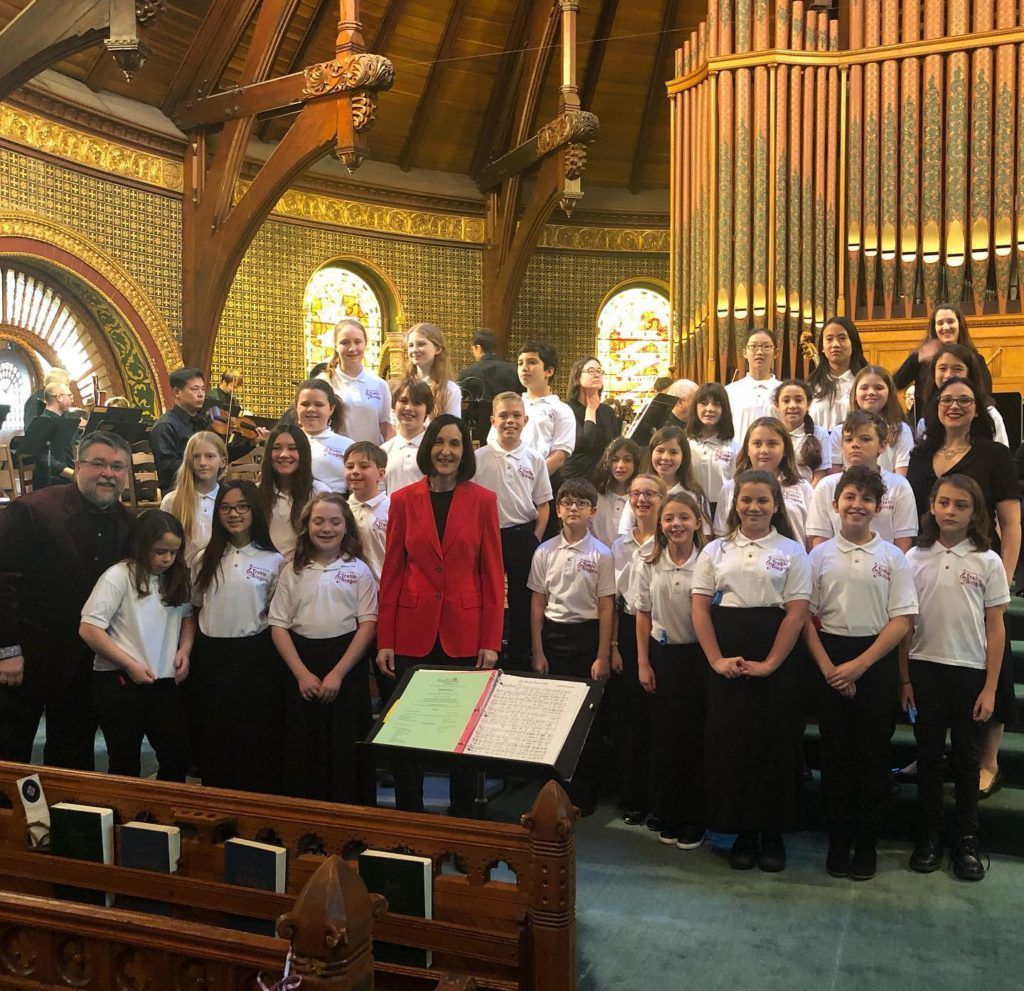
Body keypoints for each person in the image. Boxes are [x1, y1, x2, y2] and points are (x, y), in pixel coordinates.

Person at [376, 414, 504, 815]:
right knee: (407, 735)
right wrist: (386, 639)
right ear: (428, 447)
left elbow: (492, 575)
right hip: (413, 631)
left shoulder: (483, 501)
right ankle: (411, 824)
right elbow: (393, 571)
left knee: (460, 738)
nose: (446, 451)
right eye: (440, 443)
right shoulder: (402, 500)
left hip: (464, 633)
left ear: (465, 453)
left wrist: (490, 640)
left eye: (455, 444)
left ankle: (463, 826)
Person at [906, 376, 1020, 795]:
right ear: (936, 406)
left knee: (995, 665)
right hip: (933, 558)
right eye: (947, 399)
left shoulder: (994, 454)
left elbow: (1010, 521)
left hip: (981, 564)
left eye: (965, 401)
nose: (955, 406)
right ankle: (929, 753)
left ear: (978, 408)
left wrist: (1004, 578)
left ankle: (987, 762)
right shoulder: (921, 455)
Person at [692, 470, 811, 872]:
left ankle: (772, 833)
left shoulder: (794, 552)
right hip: (726, 656)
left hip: (777, 656)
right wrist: (715, 660)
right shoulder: (715, 551)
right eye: (746, 500)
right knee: (733, 745)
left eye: (762, 500)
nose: (754, 507)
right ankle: (742, 831)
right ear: (734, 504)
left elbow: (797, 613)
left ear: (776, 505)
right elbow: (699, 608)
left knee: (775, 744)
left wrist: (772, 663)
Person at [804, 467, 917, 879]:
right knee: (834, 757)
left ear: (877, 508)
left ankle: (866, 844)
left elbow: (901, 620)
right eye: (849, 496)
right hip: (829, 658)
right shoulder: (817, 557)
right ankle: (838, 840)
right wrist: (831, 669)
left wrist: (860, 665)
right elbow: (805, 619)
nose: (857, 505)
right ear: (835, 505)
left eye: (866, 499)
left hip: (875, 660)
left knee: (872, 757)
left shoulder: (892, 558)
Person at [0, 431, 135, 769]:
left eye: (118, 467)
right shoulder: (31, 511)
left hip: (85, 663)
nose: (109, 473)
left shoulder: (130, 523)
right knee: (9, 749)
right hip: (27, 656)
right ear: (77, 466)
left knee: (73, 754)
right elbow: (4, 583)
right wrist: (7, 650)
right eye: (99, 464)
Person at [902, 475, 1008, 881]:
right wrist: (905, 679)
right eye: (944, 502)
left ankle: (965, 840)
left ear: (974, 512)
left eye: (960, 505)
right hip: (925, 669)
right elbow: (906, 624)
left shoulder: (987, 561)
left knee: (966, 761)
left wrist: (990, 686)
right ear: (931, 505)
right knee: (928, 757)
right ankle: (927, 836)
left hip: (969, 673)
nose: (950, 511)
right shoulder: (914, 558)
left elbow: (995, 627)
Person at [270, 493, 377, 804]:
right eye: (318, 521)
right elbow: (278, 625)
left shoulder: (359, 570)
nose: (326, 528)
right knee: (305, 746)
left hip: (345, 666)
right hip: (301, 663)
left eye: (334, 522)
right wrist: (301, 674)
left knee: (343, 745)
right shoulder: (292, 570)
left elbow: (367, 625)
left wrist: (338, 674)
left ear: (346, 527)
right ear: (307, 526)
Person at [79, 509, 194, 781]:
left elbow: (188, 618)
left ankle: (164, 813)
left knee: (176, 753)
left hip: (163, 680)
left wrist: (184, 650)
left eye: (173, 552)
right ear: (142, 545)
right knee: (125, 758)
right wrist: (129, 665)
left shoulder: (176, 576)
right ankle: (126, 818)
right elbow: (89, 628)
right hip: (119, 680)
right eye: (160, 551)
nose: (167, 559)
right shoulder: (118, 576)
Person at [529, 478, 615, 815]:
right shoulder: (545, 551)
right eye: (567, 502)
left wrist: (602, 654)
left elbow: (607, 606)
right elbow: (538, 604)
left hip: (588, 638)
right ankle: (553, 792)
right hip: (554, 637)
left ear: (593, 511)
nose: (573, 508)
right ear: (558, 510)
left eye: (581, 503)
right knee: (553, 720)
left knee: (586, 723)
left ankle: (583, 793)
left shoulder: (602, 554)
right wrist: (538, 652)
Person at [191, 482, 284, 793]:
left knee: (253, 736)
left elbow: (275, 614)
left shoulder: (273, 560)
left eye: (242, 506)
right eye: (226, 507)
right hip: (211, 657)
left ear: (254, 510)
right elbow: (193, 610)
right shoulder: (204, 558)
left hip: (254, 657)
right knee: (216, 735)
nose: (234, 514)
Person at [635, 490, 708, 850]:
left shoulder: (709, 560)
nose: (676, 524)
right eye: (669, 518)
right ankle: (668, 811)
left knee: (694, 740)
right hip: (662, 658)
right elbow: (643, 613)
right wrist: (643, 663)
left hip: (699, 659)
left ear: (697, 522)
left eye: (684, 517)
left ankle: (694, 817)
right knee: (664, 739)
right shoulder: (649, 559)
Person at [473, 393, 552, 671]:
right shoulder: (478, 458)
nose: (510, 421)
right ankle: (484, 657)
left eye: (516, 415)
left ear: (525, 420)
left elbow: (543, 504)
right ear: (493, 420)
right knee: (487, 599)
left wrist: (535, 539)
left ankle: (520, 660)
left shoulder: (534, 458)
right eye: (504, 415)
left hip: (522, 537)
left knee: (522, 602)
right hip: (487, 538)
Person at [610, 473, 667, 826]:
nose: (642, 500)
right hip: (629, 633)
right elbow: (613, 600)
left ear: (663, 497)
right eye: (636, 494)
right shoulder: (619, 545)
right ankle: (633, 796)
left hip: (663, 631)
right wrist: (615, 645)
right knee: (630, 720)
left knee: (661, 720)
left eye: (650, 494)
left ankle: (661, 799)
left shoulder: (672, 537)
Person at [807, 411, 918, 552]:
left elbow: (903, 545)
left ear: (882, 446)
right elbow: (819, 543)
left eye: (865, 439)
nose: (855, 445)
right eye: (848, 440)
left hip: (883, 567)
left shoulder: (899, 486)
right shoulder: (826, 486)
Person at [713, 418, 815, 547]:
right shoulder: (730, 488)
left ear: (785, 449)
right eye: (757, 443)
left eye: (772, 443)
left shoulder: (803, 488)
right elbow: (722, 536)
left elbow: (811, 538)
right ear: (747, 449)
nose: (764, 450)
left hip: (791, 563)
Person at [893, 304, 993, 411]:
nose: (946, 327)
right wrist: (916, 359)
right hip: (926, 423)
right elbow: (895, 384)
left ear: (960, 325)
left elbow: (985, 397)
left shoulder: (975, 359)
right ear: (934, 328)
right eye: (940, 323)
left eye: (950, 321)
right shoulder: (920, 358)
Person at [619, 425, 710, 536]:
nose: (665, 457)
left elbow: (705, 535)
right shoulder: (639, 492)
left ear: (683, 457)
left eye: (673, 452)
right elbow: (625, 532)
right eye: (660, 451)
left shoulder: (694, 495)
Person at [258, 424, 330, 560]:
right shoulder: (257, 492)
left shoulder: (319, 493)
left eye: (292, 448)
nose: (284, 454)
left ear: (304, 453)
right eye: (276, 448)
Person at [914, 343, 1009, 446]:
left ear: (969, 373)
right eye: (942, 368)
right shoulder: (926, 419)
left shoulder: (991, 415)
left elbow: (1002, 457)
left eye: (957, 369)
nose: (948, 375)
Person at [320, 318, 394, 445]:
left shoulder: (379, 384)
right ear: (335, 346)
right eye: (345, 343)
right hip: (336, 457)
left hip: (371, 459)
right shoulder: (323, 383)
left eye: (357, 342)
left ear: (365, 343)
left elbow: (386, 429)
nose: (352, 348)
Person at [830, 365, 913, 475]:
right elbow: (835, 477)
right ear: (854, 394)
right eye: (864, 388)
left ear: (889, 393)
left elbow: (901, 477)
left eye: (878, 388)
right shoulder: (839, 431)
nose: (871, 392)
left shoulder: (901, 431)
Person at [160, 431, 227, 566]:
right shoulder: (172, 500)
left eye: (209, 456)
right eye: (196, 457)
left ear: (222, 461)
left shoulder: (227, 499)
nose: (202, 462)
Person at [561, 356, 621, 480]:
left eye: (599, 371)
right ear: (577, 378)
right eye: (591, 371)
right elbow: (586, 442)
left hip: (604, 479)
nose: (597, 375)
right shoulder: (566, 409)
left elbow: (614, 448)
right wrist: (591, 410)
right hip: (575, 478)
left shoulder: (608, 412)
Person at [149, 367, 208, 493]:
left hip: (202, 488)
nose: (201, 394)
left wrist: (249, 443)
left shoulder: (202, 422)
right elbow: (169, 469)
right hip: (178, 492)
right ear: (177, 392)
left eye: (203, 389)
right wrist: (205, 466)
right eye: (195, 389)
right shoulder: (165, 425)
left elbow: (219, 454)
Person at [457, 328, 520, 442]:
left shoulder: (467, 374)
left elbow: (460, 407)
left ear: (478, 348)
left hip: (477, 436)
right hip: (510, 431)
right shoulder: (514, 370)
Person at [293, 378, 354, 492]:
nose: (311, 409)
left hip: (335, 505)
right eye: (305, 404)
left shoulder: (347, 445)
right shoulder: (286, 441)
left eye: (319, 404)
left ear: (331, 409)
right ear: (296, 407)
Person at [806, 316, 866, 430]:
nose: (835, 344)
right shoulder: (811, 385)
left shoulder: (865, 382)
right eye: (829, 339)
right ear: (822, 348)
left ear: (853, 343)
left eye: (842, 338)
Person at [686, 382, 738, 513]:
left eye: (716, 404)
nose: (709, 409)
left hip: (723, 509)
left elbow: (735, 486)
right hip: (691, 508)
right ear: (695, 407)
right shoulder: (685, 445)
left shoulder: (734, 448)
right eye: (703, 403)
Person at [345, 441, 390, 582]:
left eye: (364, 466)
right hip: (348, 589)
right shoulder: (341, 510)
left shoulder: (392, 509)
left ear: (381, 474)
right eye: (350, 466)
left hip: (382, 590)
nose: (355, 471)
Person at [725, 330, 782, 441]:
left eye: (766, 346)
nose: (759, 352)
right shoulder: (729, 391)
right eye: (753, 346)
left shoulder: (784, 391)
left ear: (776, 353)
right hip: (739, 456)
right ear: (745, 352)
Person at [381, 377, 432, 494]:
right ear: (394, 405)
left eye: (417, 403)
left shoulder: (434, 449)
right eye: (403, 401)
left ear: (428, 410)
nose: (409, 408)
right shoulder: (384, 450)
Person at [773, 380, 828, 485]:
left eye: (798, 400)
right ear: (777, 405)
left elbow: (820, 473)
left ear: (808, 404)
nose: (792, 405)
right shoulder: (771, 433)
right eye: (786, 400)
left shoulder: (820, 433)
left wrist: (808, 497)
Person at [405, 322, 462, 419]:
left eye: (421, 344)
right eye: (411, 345)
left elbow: (452, 428)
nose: (414, 350)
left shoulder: (450, 390)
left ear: (438, 349)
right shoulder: (403, 386)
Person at [592, 437, 641, 548]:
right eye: (615, 459)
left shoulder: (640, 499)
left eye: (627, 460)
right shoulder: (595, 496)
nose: (620, 465)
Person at [32, 379, 76, 488]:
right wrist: (72, 474)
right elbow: (44, 459)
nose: (73, 399)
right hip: (51, 483)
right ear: (59, 397)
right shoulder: (41, 423)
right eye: (70, 396)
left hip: (67, 479)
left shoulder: (65, 421)